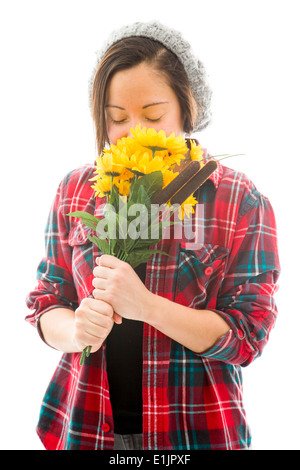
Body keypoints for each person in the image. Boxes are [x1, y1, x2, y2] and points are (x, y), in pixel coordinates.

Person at [25, 21, 280, 451]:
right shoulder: (76, 189)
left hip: (195, 433)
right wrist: (76, 331)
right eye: (117, 118)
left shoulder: (238, 198)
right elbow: (47, 302)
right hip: (85, 426)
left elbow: (248, 336)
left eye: (153, 115)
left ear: (187, 109)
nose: (133, 132)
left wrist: (146, 307)